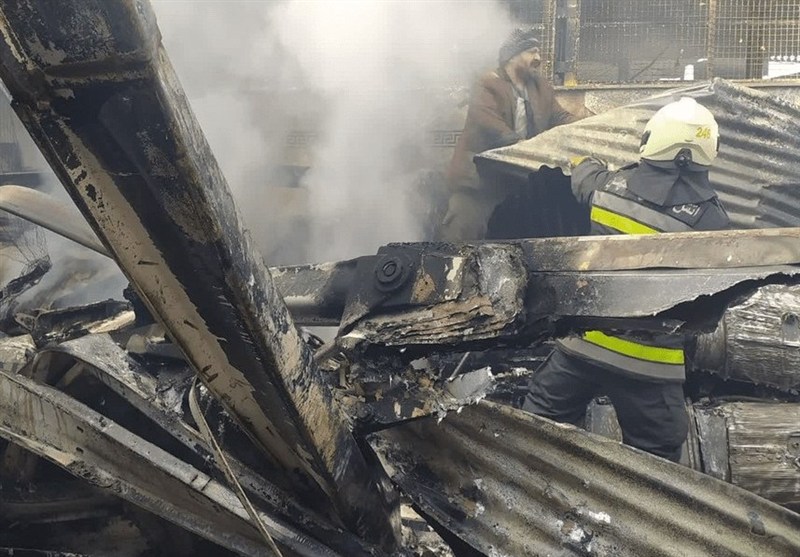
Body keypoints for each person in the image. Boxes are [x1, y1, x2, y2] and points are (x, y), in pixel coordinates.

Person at [522, 97, 729, 462]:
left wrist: (582, 161)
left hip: (583, 347)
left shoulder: (608, 189)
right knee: (656, 460)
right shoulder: (712, 223)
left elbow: (584, 179)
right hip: (650, 367)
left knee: (537, 428)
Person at [440, 27, 582, 242]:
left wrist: (588, 124)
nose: (538, 58)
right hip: (479, 179)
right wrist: (522, 146)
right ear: (512, 57)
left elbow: (559, 116)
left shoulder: (540, 87)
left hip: (519, 178)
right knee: (464, 223)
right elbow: (489, 123)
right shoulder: (487, 83)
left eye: (538, 52)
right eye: (532, 52)